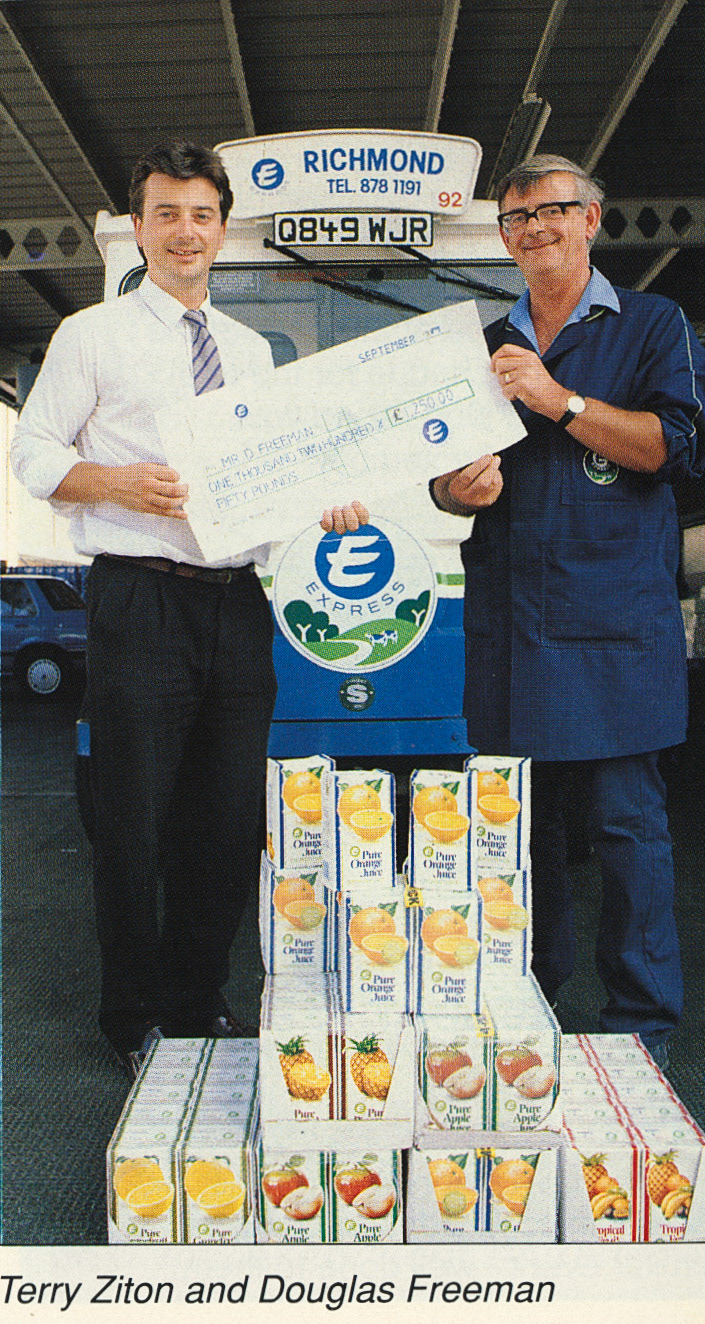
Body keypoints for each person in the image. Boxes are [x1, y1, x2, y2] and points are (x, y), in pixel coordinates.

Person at [11, 141, 367, 1078]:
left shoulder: (249, 351)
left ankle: (198, 999)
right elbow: (34, 455)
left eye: (200, 215)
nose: (184, 232)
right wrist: (115, 482)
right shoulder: (90, 335)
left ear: (223, 229)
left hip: (237, 602)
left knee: (224, 815)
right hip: (138, 596)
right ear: (138, 227)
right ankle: (130, 1017)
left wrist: (325, 504)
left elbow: (270, 478)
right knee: (131, 817)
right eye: (165, 214)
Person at [432, 154, 705, 1062]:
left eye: (551, 210)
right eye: (516, 219)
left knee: (627, 830)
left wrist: (560, 400)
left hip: (616, 625)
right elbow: (438, 474)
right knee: (519, 836)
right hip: (510, 627)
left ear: (590, 219)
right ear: (503, 239)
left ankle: (639, 1024)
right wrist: (455, 491)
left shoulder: (653, 325)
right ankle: (527, 1008)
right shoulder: (479, 343)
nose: (534, 229)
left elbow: (672, 447)